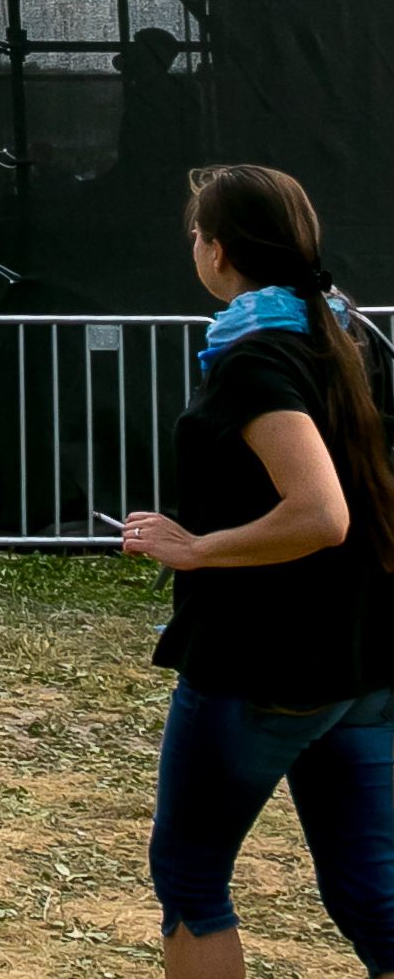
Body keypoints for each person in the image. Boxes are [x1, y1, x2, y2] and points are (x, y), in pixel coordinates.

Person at [118, 164, 394, 974]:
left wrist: (193, 547)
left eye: (195, 236)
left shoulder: (255, 360)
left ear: (219, 250)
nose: (193, 249)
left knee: (191, 879)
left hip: (263, 664)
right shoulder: (342, 336)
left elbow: (320, 513)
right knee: (372, 894)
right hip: (360, 660)